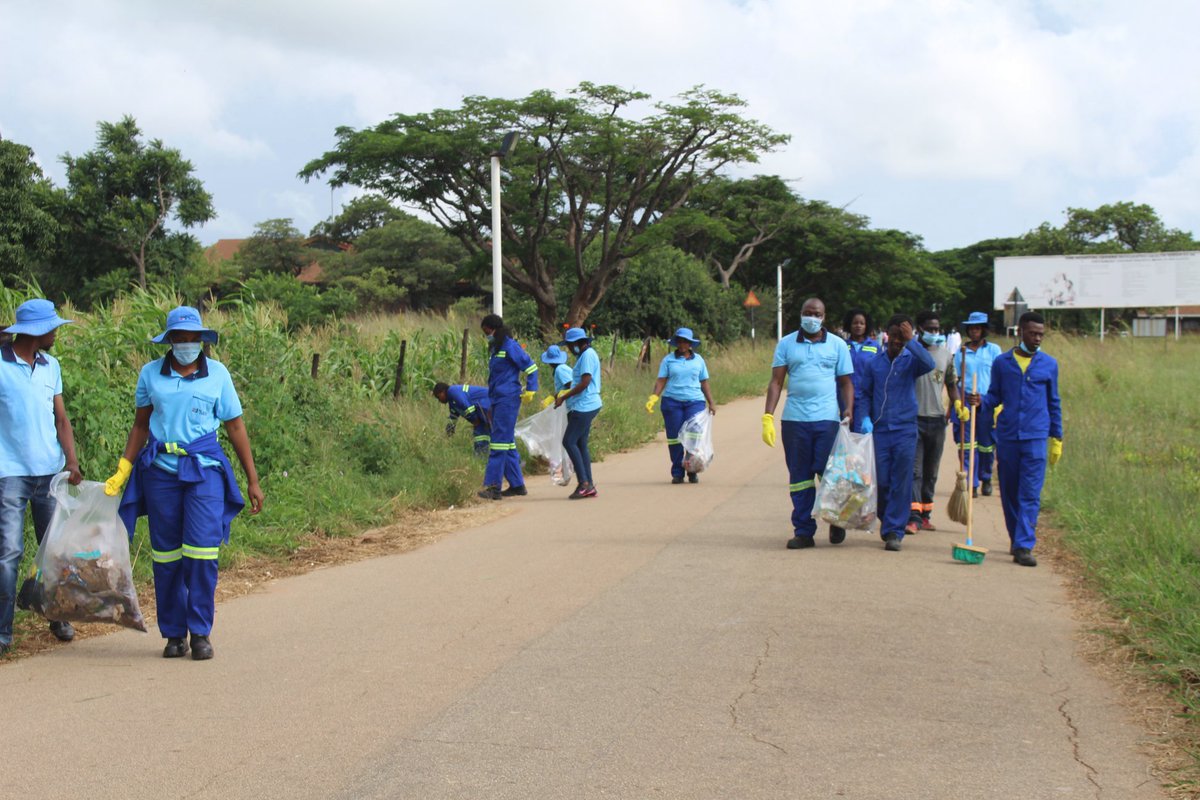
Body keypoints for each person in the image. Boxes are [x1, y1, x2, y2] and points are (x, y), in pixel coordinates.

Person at [104, 306, 263, 660]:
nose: (188, 344)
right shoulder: (150, 375)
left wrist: (252, 479)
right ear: (170, 340)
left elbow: (235, 426)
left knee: (203, 552)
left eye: (194, 339)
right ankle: (174, 634)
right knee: (167, 556)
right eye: (181, 338)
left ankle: (201, 631)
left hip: (204, 470)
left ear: (202, 340)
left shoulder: (217, 374)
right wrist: (123, 469)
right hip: (160, 472)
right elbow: (141, 426)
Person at [0, 299, 83, 656]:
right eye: (52, 328)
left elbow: (61, 419)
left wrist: (72, 461)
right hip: (10, 474)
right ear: (35, 331)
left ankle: (56, 615)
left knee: (54, 549)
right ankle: (3, 633)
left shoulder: (52, 366)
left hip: (49, 473)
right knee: (8, 554)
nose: (56, 333)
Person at [763, 298, 854, 549]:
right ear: (801, 315)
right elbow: (776, 382)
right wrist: (768, 415)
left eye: (816, 313)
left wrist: (848, 408)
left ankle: (836, 520)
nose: (811, 317)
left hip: (827, 421)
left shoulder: (837, 345)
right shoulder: (786, 344)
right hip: (795, 422)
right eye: (807, 313)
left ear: (824, 317)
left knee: (830, 476)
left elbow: (846, 382)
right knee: (800, 477)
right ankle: (803, 531)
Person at [984, 311, 1063, 567]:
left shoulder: (1049, 365)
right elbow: (993, 396)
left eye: (1041, 334)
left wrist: (1057, 437)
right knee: (1009, 491)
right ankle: (1015, 537)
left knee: (1030, 493)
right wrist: (974, 404)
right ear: (1020, 332)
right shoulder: (1002, 363)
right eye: (1033, 333)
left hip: (1036, 437)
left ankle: (1025, 544)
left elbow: (1054, 403)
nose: (1038, 338)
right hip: (1008, 436)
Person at [859, 314, 935, 552]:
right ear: (886, 336)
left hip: (905, 430)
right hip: (880, 430)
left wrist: (911, 340)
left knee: (901, 481)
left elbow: (930, 364)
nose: (896, 341)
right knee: (882, 481)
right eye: (893, 336)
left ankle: (894, 531)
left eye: (900, 337)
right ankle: (887, 518)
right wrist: (863, 418)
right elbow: (864, 394)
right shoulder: (875, 364)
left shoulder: (912, 361)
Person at [907, 310, 967, 534]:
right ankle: (912, 516)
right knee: (915, 470)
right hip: (914, 419)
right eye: (930, 329)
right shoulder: (911, 353)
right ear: (920, 329)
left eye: (937, 329)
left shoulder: (945, 355)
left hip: (937, 419)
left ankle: (925, 514)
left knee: (931, 472)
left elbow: (951, 384)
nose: (934, 332)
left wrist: (958, 405)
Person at [478, 314, 538, 500]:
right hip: (497, 399)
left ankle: (493, 487)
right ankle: (517, 485)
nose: (485, 334)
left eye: (486, 331)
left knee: (498, 443)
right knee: (507, 442)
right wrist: (490, 404)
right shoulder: (496, 348)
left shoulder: (510, 346)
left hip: (508, 399)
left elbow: (531, 367)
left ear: (492, 328)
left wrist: (530, 390)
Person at [645, 327, 716, 484]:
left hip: (695, 402)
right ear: (676, 343)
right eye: (680, 341)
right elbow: (661, 381)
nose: (683, 344)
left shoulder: (699, 361)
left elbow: (704, 382)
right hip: (672, 403)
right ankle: (677, 472)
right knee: (674, 439)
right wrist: (653, 398)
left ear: (690, 344)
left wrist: (711, 402)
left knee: (693, 437)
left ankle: (692, 470)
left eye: (686, 341)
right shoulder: (668, 360)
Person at [955, 312, 1003, 496]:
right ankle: (971, 482)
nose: (974, 331)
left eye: (978, 328)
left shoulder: (993, 350)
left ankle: (986, 476)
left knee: (986, 444)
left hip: (987, 401)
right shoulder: (961, 352)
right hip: (967, 400)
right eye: (972, 328)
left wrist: (995, 402)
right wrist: (957, 404)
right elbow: (955, 380)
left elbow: (1000, 377)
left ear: (983, 330)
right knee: (967, 445)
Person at [554, 327, 601, 499]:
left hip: (585, 405)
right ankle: (589, 484)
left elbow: (585, 382)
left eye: (568, 345)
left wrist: (564, 397)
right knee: (580, 444)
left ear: (576, 343)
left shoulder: (587, 355)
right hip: (584, 404)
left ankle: (584, 483)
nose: (568, 349)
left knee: (569, 441)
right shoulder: (584, 355)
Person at [840, 309, 881, 434]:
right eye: (855, 323)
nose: (858, 326)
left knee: (860, 437)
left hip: (865, 399)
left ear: (866, 325)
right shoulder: (841, 346)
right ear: (849, 325)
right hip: (844, 398)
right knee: (844, 438)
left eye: (862, 323)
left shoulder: (874, 347)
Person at [433, 382, 492, 456]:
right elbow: (453, 415)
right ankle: (481, 454)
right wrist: (450, 428)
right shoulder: (452, 401)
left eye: (439, 397)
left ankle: (494, 454)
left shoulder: (453, 391)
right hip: (482, 408)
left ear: (442, 391)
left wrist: (474, 419)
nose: (439, 400)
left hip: (487, 403)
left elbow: (467, 406)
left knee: (495, 431)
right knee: (480, 433)